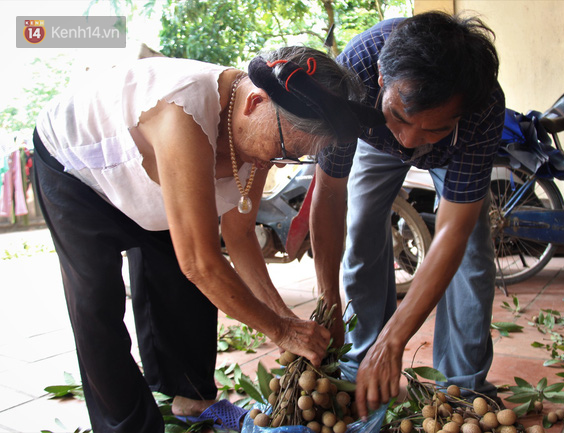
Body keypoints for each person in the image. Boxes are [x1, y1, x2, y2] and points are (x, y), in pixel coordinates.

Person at [32, 46, 383, 433]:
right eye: (286, 149)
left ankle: (190, 399)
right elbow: (200, 263)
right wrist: (279, 331)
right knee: (96, 302)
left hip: (153, 183)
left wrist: (285, 321)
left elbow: (239, 236)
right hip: (78, 172)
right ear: (255, 102)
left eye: (295, 156)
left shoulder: (256, 140)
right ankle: (126, 425)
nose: (281, 162)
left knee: (182, 291)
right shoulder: (182, 112)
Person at [309, 11, 506, 417]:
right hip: (372, 142)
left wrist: (396, 339)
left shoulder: (481, 106)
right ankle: (361, 364)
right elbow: (329, 195)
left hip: (453, 154)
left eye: (431, 129)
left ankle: (461, 387)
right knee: (362, 229)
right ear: (381, 79)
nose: (411, 141)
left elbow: (454, 228)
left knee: (472, 252)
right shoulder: (354, 74)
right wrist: (330, 305)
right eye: (400, 117)